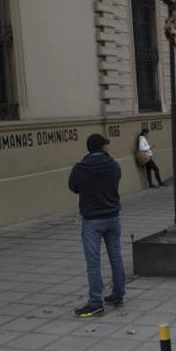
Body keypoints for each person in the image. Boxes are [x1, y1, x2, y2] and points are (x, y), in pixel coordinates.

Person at [68, 134, 126, 317]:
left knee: (93, 263)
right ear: (102, 147)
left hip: (92, 220)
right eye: (106, 146)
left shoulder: (80, 168)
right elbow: (117, 180)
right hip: (112, 217)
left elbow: (73, 187)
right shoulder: (113, 165)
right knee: (116, 257)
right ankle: (118, 293)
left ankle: (95, 302)